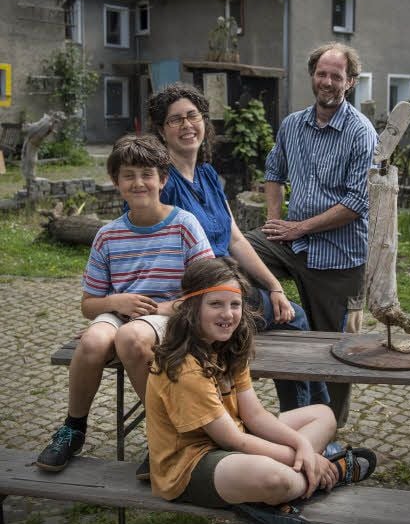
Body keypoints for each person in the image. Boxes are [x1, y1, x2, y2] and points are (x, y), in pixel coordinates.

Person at [146, 82, 329, 416]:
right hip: (200, 295)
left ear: (204, 121)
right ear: (161, 130)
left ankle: (308, 417)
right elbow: (154, 248)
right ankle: (307, 418)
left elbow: (236, 239)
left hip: (227, 283)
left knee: (290, 313)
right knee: (295, 320)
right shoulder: (163, 184)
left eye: (193, 116)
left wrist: (274, 286)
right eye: (175, 120)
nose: (187, 125)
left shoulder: (207, 175)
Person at [36, 134, 214, 472]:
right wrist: (116, 300)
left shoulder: (184, 225)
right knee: (92, 341)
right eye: (128, 175)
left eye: (147, 174)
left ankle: (164, 435)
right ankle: (73, 428)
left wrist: (160, 309)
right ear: (115, 182)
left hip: (171, 313)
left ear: (163, 179)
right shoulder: (108, 235)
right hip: (121, 311)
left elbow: (208, 292)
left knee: (131, 338)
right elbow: (89, 306)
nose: (138, 183)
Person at [146, 256, 376, 514]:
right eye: (215, 304)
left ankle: (284, 487)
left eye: (235, 304)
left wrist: (301, 446)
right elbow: (234, 441)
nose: (228, 314)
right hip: (192, 463)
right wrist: (307, 455)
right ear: (191, 307)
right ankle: (328, 473)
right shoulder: (186, 368)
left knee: (323, 415)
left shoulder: (228, 346)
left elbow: (254, 415)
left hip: (238, 441)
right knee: (275, 478)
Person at [247, 42, 377, 428]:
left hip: (338, 255)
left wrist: (298, 227)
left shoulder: (361, 133)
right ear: (312, 75)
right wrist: (275, 222)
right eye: (322, 73)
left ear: (350, 82)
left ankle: (329, 429)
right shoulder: (292, 124)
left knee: (335, 348)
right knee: (232, 254)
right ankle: (275, 315)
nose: (328, 81)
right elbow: (274, 171)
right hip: (292, 244)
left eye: (337, 76)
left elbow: (357, 203)